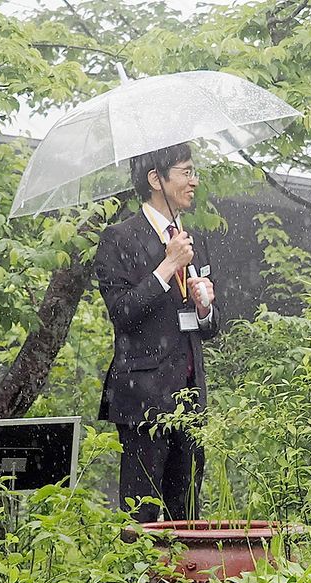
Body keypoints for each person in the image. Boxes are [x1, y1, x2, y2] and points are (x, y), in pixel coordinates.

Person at [95, 143, 219, 522]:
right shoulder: (120, 237)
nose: (193, 181)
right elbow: (122, 313)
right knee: (143, 514)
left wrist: (205, 307)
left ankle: (189, 581)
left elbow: (210, 329)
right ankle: (141, 582)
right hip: (142, 398)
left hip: (190, 395)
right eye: (185, 171)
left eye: (193, 172)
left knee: (188, 514)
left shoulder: (193, 238)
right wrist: (167, 268)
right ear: (155, 179)